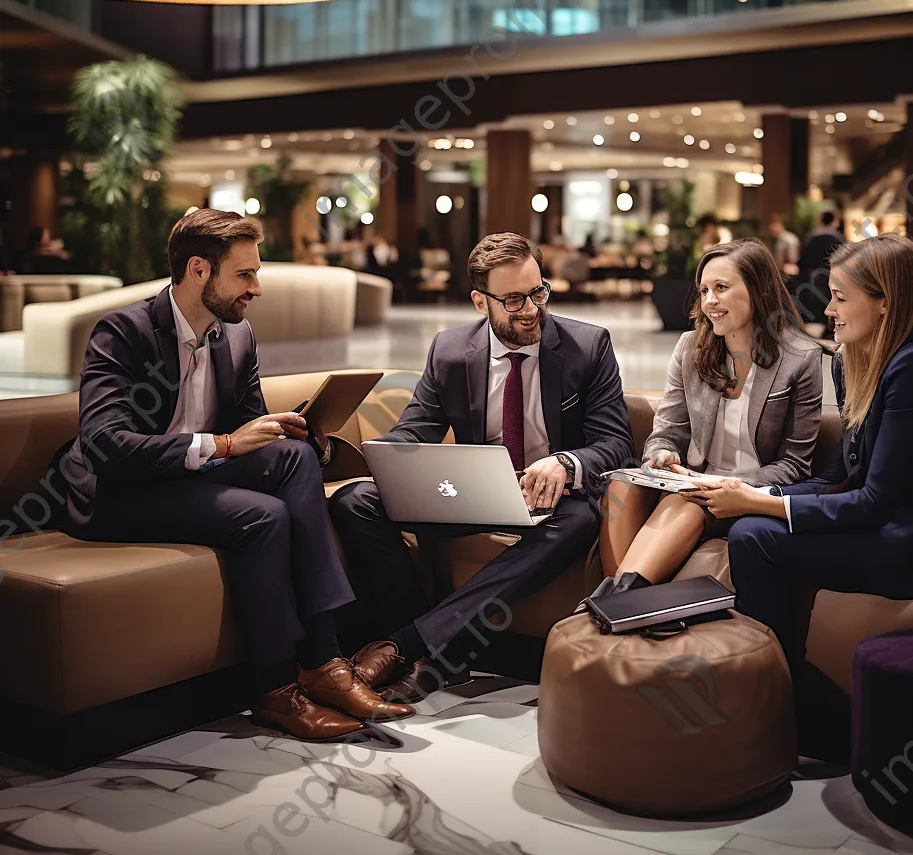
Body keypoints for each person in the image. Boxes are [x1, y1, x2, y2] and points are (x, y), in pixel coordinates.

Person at [55, 209, 415, 741]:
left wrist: (291, 432)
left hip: (191, 477)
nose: (257, 288)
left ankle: (322, 661)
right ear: (199, 269)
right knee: (260, 516)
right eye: (245, 275)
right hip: (117, 491)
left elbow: (246, 424)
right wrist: (223, 445)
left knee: (293, 458)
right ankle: (275, 690)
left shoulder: (236, 335)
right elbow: (107, 446)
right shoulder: (123, 332)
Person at [329, 232, 635, 700]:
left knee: (581, 518)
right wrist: (380, 455)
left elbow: (615, 443)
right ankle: (424, 647)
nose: (531, 308)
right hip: (475, 494)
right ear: (480, 301)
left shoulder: (587, 346)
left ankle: (405, 646)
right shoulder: (451, 351)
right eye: (513, 299)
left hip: (555, 500)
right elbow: (417, 429)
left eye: (538, 291)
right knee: (355, 500)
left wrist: (564, 463)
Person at [697, 233, 913, 684]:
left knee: (752, 535)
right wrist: (759, 491)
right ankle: (769, 684)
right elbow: (842, 474)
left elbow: (875, 501)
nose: (827, 310)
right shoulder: (854, 360)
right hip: (890, 529)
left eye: (840, 298)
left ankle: (775, 689)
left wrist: (760, 503)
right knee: (748, 526)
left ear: (885, 303)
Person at [598, 239, 822, 589]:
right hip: (691, 482)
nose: (709, 302)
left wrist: (730, 486)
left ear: (757, 289)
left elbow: (795, 464)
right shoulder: (690, 348)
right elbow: (667, 430)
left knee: (690, 503)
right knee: (623, 487)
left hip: (747, 493)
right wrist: (661, 452)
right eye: (704, 290)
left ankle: (613, 605)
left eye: (721, 288)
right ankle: (617, 601)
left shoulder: (800, 358)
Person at [793, 211, 844, 327]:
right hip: (829, 276)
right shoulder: (836, 238)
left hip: (811, 278)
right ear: (834, 221)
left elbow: (803, 260)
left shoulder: (812, 237)